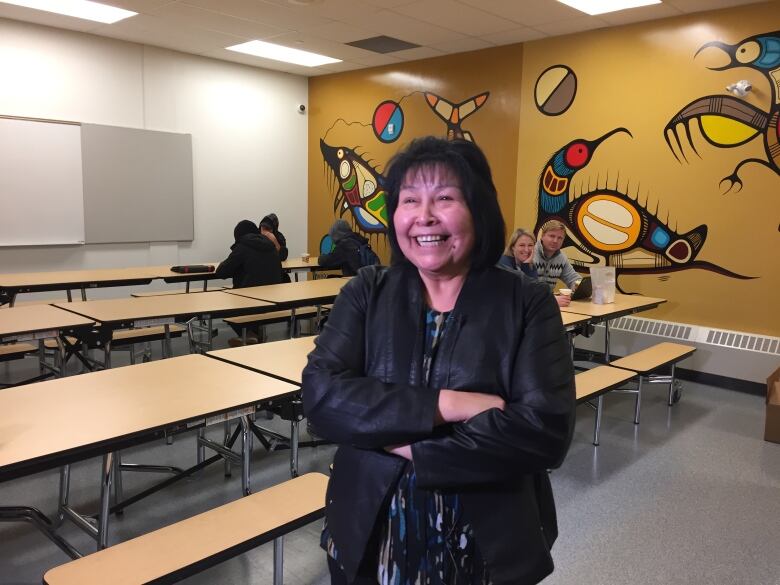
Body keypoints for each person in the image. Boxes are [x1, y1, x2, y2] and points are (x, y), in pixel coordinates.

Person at [303, 137, 575, 585]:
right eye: (410, 200)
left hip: (486, 544)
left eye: (445, 198)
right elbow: (321, 395)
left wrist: (409, 447)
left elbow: (543, 431)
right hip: (370, 534)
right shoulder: (366, 292)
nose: (424, 216)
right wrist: (450, 404)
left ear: (479, 209)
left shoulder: (526, 302)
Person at [215, 219, 283, 345]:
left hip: (249, 301)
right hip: (273, 300)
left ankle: (249, 335)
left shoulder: (242, 247)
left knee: (225, 305)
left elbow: (221, 272)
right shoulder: (271, 246)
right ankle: (254, 336)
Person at [533, 220, 582, 305]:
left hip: (546, 307)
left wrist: (580, 286)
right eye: (552, 236)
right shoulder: (530, 254)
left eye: (560, 238)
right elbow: (524, 291)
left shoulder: (561, 258)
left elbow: (573, 279)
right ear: (542, 236)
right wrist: (551, 300)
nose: (555, 241)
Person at [260, 213, 290, 282]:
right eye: (262, 228)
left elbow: (283, 257)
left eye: (267, 229)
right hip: (261, 273)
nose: (264, 232)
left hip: (276, 272)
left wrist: (274, 241)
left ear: (274, 229)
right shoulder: (256, 236)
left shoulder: (279, 237)